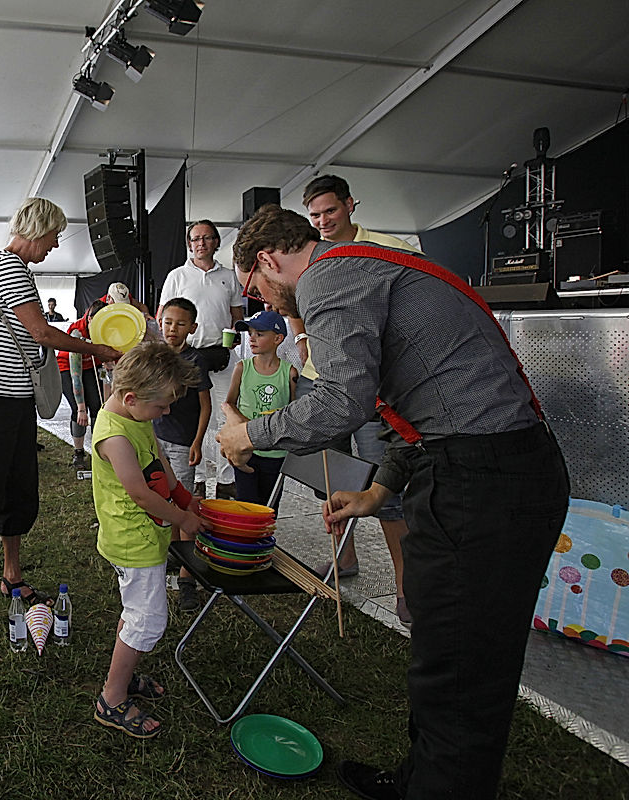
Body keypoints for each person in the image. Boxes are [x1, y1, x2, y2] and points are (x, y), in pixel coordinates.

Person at [216, 204, 569, 800]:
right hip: (479, 469)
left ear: (268, 262)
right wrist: (380, 489)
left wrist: (248, 433)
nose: (268, 307)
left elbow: (339, 405)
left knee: (462, 670)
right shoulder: (368, 267)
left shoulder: (328, 276)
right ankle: (420, 780)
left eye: (258, 291)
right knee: (445, 650)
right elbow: (428, 407)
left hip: (487, 483)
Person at [0, 197, 121, 634]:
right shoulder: (7, 266)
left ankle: (12, 576)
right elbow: (40, 332)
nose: (55, 246)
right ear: (38, 229)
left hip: (15, 402)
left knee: (20, 488)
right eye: (55, 236)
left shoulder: (13, 268)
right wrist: (96, 348)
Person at [300, 174, 421, 625]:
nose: (323, 221)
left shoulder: (392, 249)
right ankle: (344, 559)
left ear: (351, 205)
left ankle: (406, 587)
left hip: (375, 391)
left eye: (329, 211)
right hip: (318, 382)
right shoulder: (311, 257)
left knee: (385, 490)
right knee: (329, 481)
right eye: (314, 215)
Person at [91, 341, 204, 738]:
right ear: (131, 397)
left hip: (145, 537)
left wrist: (186, 498)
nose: (167, 412)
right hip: (133, 541)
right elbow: (140, 493)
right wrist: (183, 520)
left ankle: (125, 674)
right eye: (162, 406)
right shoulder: (114, 436)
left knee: (135, 611)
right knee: (148, 619)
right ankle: (112, 697)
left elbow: (161, 464)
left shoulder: (137, 418)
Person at [156, 221, 246, 500]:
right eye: (196, 238)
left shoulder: (230, 276)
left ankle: (225, 478)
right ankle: (196, 477)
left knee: (224, 415)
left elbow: (237, 314)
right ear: (189, 243)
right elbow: (163, 316)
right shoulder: (177, 276)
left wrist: (238, 333)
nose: (202, 243)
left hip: (220, 355)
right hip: (186, 358)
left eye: (208, 238)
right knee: (191, 416)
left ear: (217, 242)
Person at [153, 297, 212, 612]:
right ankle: (175, 557)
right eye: (168, 322)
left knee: (185, 504)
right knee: (164, 503)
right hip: (156, 440)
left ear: (192, 328)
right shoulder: (157, 355)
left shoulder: (195, 360)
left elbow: (205, 404)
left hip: (181, 442)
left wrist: (198, 441)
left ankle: (188, 578)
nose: (172, 329)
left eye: (180, 323)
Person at [223, 310, 297, 506]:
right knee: (245, 505)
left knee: (269, 508)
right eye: (250, 333)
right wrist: (243, 425)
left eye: (260, 334)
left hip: (275, 453)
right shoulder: (242, 368)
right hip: (246, 449)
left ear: (278, 338)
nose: (252, 339)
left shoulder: (289, 373)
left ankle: (265, 538)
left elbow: (295, 411)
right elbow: (229, 403)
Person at [58, 299, 107, 469]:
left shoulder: (107, 328)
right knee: (80, 411)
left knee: (97, 407)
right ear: (90, 319)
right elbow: (75, 375)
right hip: (69, 367)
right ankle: (78, 453)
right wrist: (80, 407)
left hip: (91, 365)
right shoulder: (77, 333)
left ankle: (100, 452)